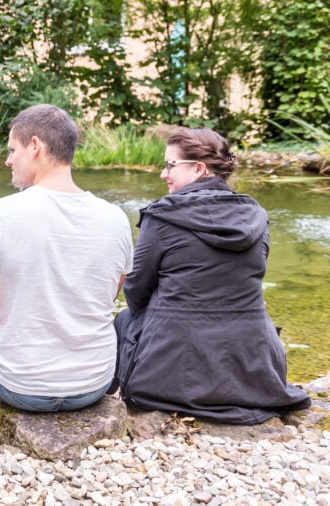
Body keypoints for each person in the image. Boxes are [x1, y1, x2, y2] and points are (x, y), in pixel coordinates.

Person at [0, 105, 133, 424]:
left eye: (12, 150)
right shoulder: (116, 218)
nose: (7, 160)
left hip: (21, 387)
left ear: (35, 146)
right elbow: (108, 295)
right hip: (93, 385)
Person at [114, 128, 311, 424]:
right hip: (255, 370)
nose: (163, 174)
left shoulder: (162, 216)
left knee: (123, 319)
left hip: (171, 376)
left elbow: (136, 291)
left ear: (198, 169)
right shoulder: (256, 216)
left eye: (170, 165)